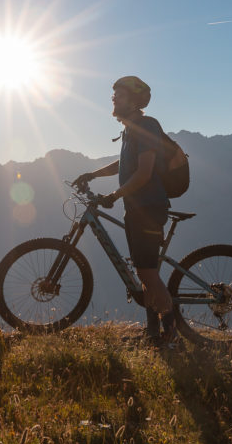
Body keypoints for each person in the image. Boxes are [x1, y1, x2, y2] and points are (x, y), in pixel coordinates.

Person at [74, 75, 176, 344]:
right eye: (114, 95)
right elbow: (122, 166)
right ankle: (154, 332)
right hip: (137, 209)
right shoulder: (131, 129)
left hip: (149, 207)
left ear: (133, 101)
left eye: (118, 95)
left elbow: (143, 173)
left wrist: (114, 195)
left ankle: (172, 334)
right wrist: (91, 175)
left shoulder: (146, 126)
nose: (113, 99)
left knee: (148, 273)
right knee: (143, 270)